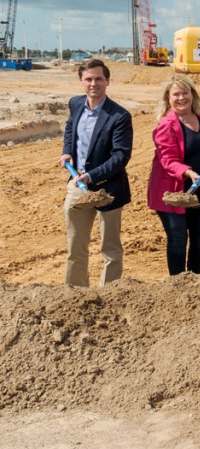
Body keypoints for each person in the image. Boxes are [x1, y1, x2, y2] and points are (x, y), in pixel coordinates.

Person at [59, 58, 133, 287]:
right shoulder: (75, 104)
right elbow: (71, 128)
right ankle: (76, 293)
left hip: (108, 189)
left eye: (99, 79)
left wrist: (91, 176)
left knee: (110, 248)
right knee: (75, 246)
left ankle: (108, 294)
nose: (94, 84)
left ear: (107, 81)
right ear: (81, 82)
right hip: (77, 187)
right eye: (88, 79)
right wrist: (66, 151)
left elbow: (120, 156)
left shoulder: (119, 116)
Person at [147, 75, 200, 275]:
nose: (181, 98)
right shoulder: (166, 125)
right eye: (175, 94)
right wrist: (188, 172)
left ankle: (194, 279)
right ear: (168, 98)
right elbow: (167, 160)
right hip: (173, 191)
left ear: (192, 94)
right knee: (178, 239)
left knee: (199, 238)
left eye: (185, 93)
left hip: (198, 189)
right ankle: (177, 285)